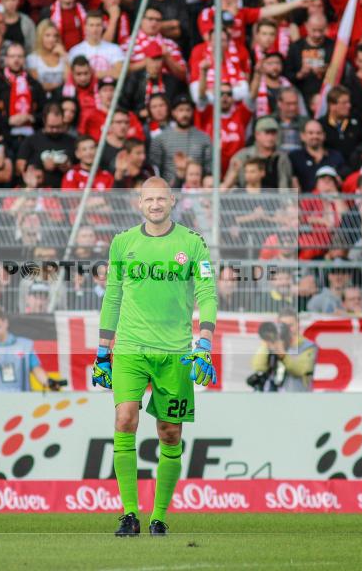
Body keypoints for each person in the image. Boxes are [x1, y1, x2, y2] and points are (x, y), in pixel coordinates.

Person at [93, 176, 217, 536]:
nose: (155, 204)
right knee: (125, 420)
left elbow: (207, 293)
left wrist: (204, 342)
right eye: (149, 199)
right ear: (139, 203)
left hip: (175, 352)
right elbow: (112, 297)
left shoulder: (192, 244)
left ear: (173, 200)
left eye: (161, 198)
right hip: (131, 349)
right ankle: (130, 513)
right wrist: (103, 351)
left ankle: (159, 515)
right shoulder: (123, 243)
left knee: (169, 434)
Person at [0, 306, 52, 392]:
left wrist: (50, 383)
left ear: (6, 323)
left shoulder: (24, 345)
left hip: (18, 401)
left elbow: (36, 369)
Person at [148, 94, 211, 184]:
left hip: (198, 193)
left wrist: (193, 164)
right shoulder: (160, 139)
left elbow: (209, 169)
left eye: (188, 110)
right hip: (170, 191)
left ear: (192, 112)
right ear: (173, 112)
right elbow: (154, 170)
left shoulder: (203, 138)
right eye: (180, 110)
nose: (184, 114)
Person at [289, 119, 347, 192]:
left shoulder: (335, 156)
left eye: (318, 133)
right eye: (310, 133)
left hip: (331, 200)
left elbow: (342, 182)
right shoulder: (294, 157)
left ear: (324, 135)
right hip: (305, 201)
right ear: (302, 136)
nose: (315, 136)